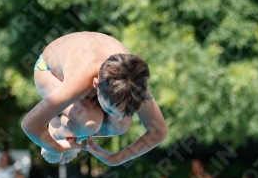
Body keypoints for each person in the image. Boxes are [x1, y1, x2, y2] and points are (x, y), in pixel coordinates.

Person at [21, 32, 167, 166]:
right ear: (96, 84)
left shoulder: (134, 83)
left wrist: (114, 159)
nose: (115, 117)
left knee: (120, 126)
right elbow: (29, 124)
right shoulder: (80, 81)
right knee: (89, 123)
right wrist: (55, 147)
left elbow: (158, 132)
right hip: (48, 70)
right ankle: (59, 128)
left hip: (93, 63)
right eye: (111, 109)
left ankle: (74, 131)